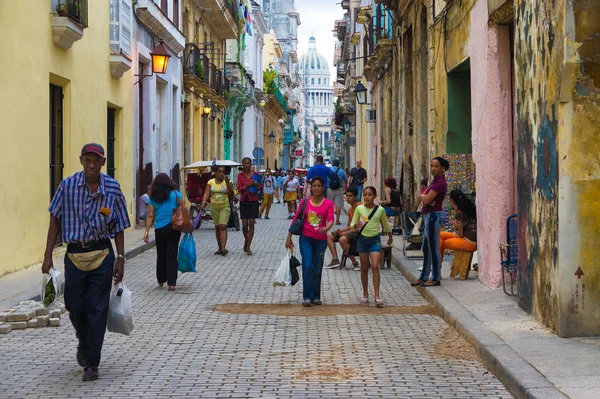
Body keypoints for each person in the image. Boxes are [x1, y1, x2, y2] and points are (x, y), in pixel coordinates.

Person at [42, 143, 130, 382]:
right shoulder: (67, 186)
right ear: (81, 160)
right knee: (74, 305)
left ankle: (92, 362)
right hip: (74, 256)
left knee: (97, 308)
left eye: (96, 161)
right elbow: (55, 220)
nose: (91, 165)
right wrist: (47, 255)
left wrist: (121, 258)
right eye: (87, 160)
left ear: (102, 162)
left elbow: (120, 225)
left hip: (102, 254)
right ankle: (83, 339)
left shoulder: (112, 188)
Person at [285, 177, 335, 307]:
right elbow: (296, 218)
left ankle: (316, 296)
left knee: (317, 267)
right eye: (314, 185)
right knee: (308, 265)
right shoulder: (304, 202)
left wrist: (326, 229)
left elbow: (330, 219)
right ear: (311, 187)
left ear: (323, 188)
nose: (317, 188)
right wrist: (289, 236)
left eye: (319, 185)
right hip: (306, 238)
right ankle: (307, 296)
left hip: (320, 241)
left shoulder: (328, 203)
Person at [351, 186, 393, 308]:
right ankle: (365, 294)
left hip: (375, 239)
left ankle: (377, 295)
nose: (367, 197)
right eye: (365, 195)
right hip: (362, 240)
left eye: (369, 195)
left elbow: (385, 224)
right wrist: (356, 225)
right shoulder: (359, 209)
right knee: (364, 268)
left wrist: (390, 236)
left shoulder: (380, 210)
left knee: (375, 266)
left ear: (375, 196)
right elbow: (352, 224)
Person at [411, 157, 449, 287]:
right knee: (425, 247)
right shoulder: (434, 182)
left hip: (433, 215)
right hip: (428, 215)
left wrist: (422, 197)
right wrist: (424, 197)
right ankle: (424, 276)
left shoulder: (440, 183)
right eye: (432, 166)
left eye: (436, 166)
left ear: (442, 168)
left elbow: (426, 200)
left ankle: (436, 277)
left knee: (433, 248)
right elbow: (425, 198)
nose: (433, 168)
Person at [144, 173, 184, 291]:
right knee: (172, 254)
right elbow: (183, 207)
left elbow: (150, 215)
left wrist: (146, 232)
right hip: (173, 227)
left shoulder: (152, 197)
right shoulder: (176, 194)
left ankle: (161, 280)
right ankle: (172, 283)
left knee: (161, 255)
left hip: (160, 229)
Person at [201, 166, 234, 256]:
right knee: (217, 227)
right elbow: (206, 193)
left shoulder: (227, 182)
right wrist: (203, 202)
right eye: (219, 172)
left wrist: (227, 182)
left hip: (225, 206)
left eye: (223, 172)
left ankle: (223, 248)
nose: (221, 174)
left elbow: (231, 194)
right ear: (215, 173)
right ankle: (220, 248)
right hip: (214, 207)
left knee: (222, 226)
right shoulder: (210, 182)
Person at [325, 187, 361, 270]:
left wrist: (345, 233)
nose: (348, 198)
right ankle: (335, 260)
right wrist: (340, 230)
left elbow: (359, 228)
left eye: (350, 196)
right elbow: (348, 225)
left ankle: (354, 263)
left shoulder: (360, 208)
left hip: (357, 233)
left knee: (342, 239)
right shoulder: (350, 210)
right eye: (347, 196)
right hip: (351, 231)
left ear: (355, 197)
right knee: (328, 236)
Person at [440, 189, 477, 265]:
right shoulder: (470, 208)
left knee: (441, 243)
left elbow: (460, 235)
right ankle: (436, 268)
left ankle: (437, 268)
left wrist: (457, 227)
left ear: (452, 201)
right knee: (440, 235)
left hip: (469, 243)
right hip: (473, 240)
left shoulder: (459, 213)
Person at [237, 157, 260, 255]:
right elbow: (239, 189)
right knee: (245, 225)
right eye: (244, 163)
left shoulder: (255, 175)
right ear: (242, 165)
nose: (246, 165)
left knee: (251, 223)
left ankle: (248, 246)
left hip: (253, 200)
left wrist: (257, 184)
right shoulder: (240, 175)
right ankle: (246, 240)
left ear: (251, 164)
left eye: (248, 163)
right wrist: (248, 185)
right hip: (244, 200)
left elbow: (260, 187)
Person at [326, 159, 348, 225]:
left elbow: (327, 180)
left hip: (330, 189)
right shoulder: (341, 171)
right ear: (338, 164)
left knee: (330, 205)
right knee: (338, 205)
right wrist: (345, 188)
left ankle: (330, 220)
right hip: (339, 189)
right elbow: (346, 180)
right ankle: (337, 220)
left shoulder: (329, 170)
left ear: (332, 164)